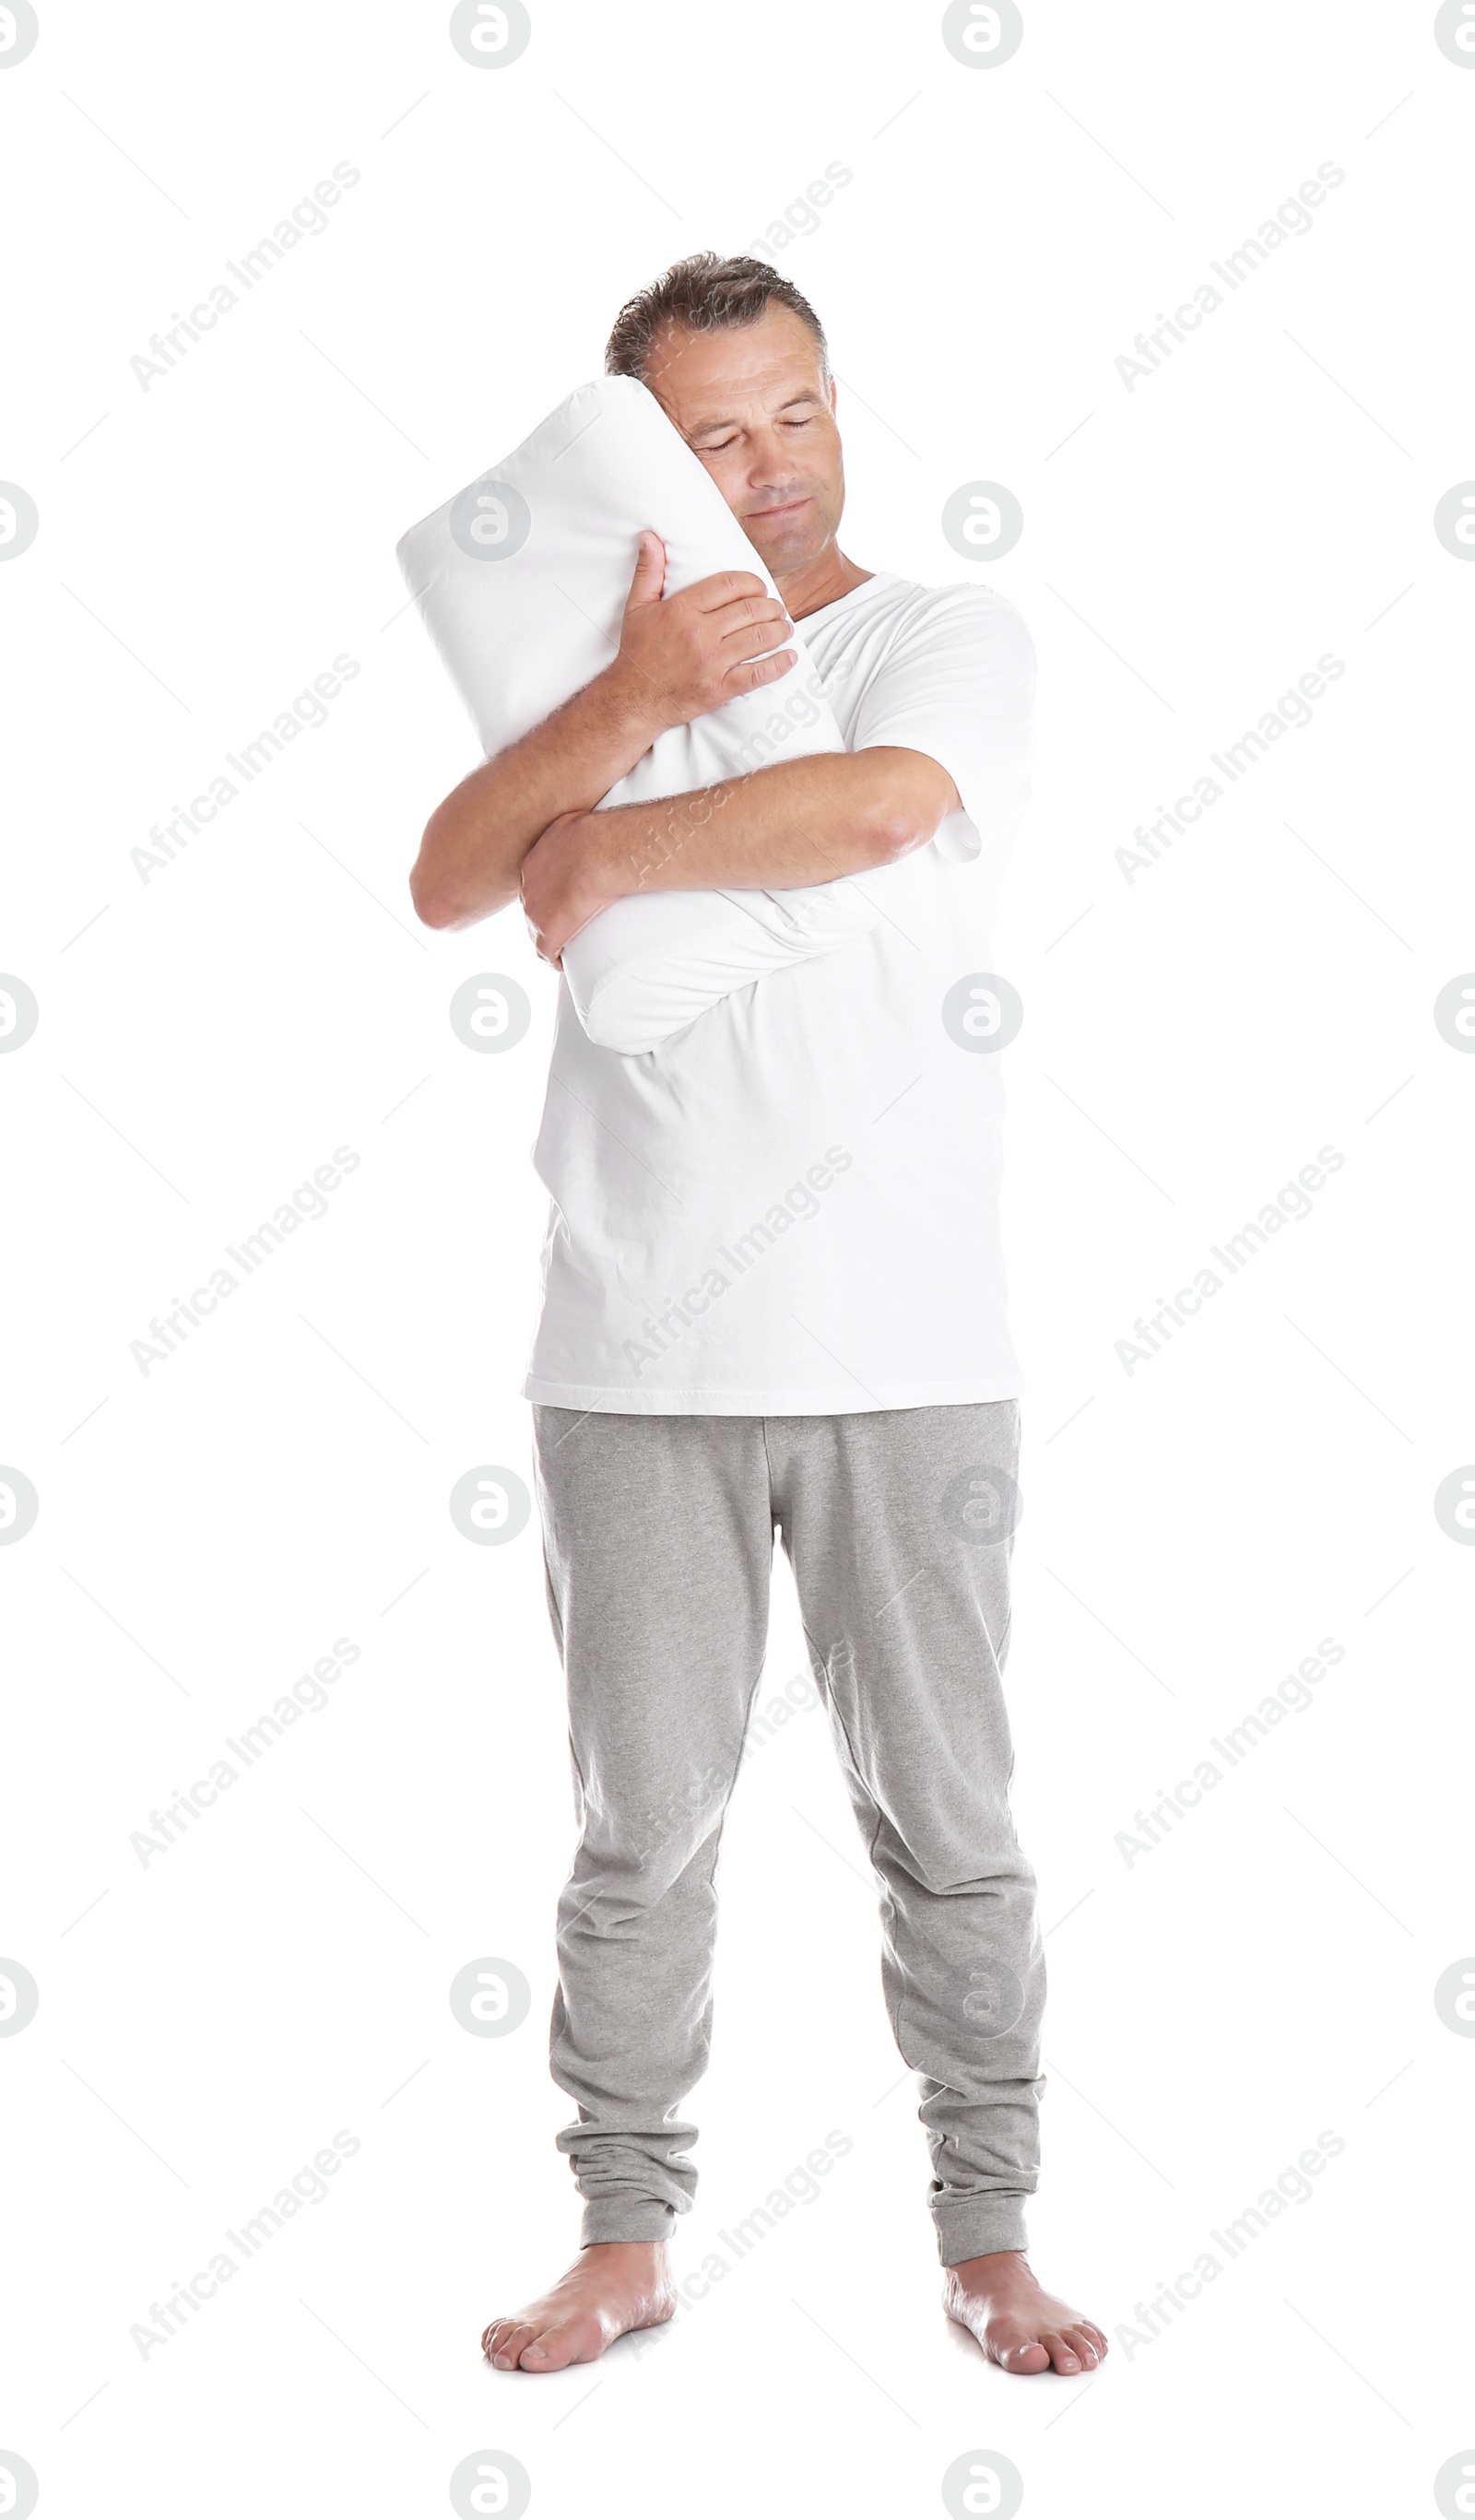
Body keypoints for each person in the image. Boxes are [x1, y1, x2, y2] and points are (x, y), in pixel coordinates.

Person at [409, 253, 1105, 2382]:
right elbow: (452, 876)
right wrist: (616, 713)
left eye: (795, 411)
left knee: (953, 1817)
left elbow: (877, 804)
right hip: (630, 1349)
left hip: (905, 1335)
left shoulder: (935, 632)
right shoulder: (611, 663)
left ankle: (986, 2233)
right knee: (640, 1819)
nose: (768, 464)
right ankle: (621, 2234)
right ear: (647, 462)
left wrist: (599, 851)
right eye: (711, 432)